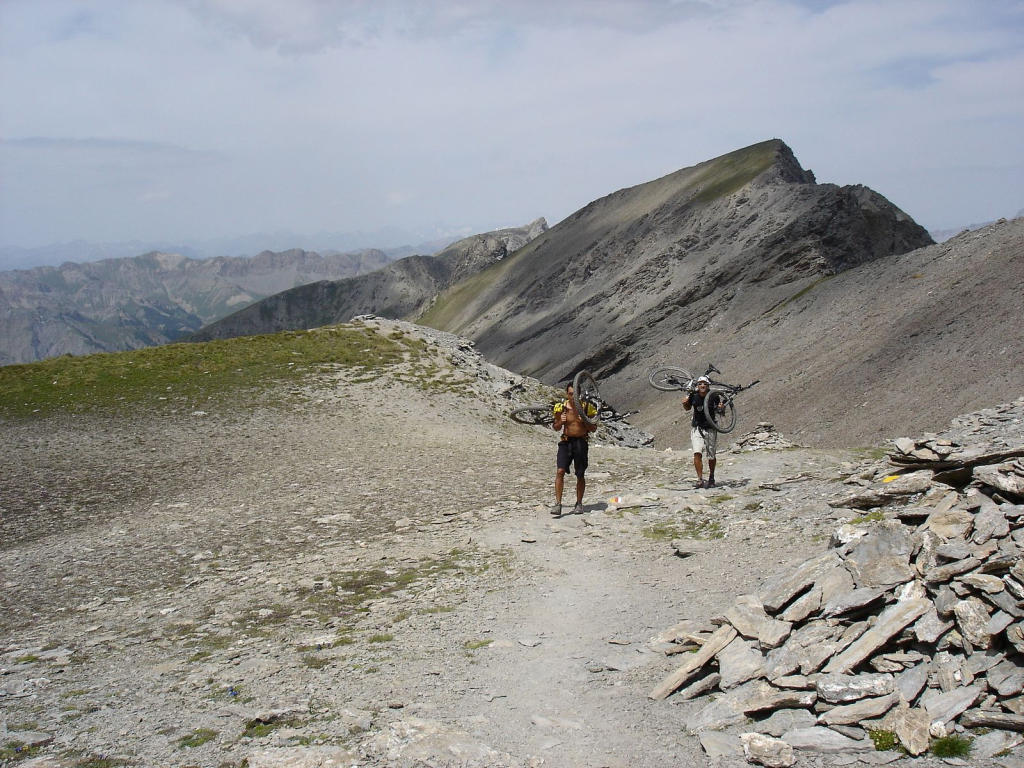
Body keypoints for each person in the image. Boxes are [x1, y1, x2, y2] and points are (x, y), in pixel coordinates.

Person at [551, 383, 598, 516]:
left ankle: (579, 503)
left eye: (575, 394)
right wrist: (561, 421)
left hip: (581, 442)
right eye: (570, 394)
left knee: (580, 474)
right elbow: (555, 427)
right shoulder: (561, 407)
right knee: (560, 471)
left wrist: (584, 421)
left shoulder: (586, 408)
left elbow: (594, 428)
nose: (573, 397)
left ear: (580, 394)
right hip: (566, 441)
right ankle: (558, 504)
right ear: (567, 394)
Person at [682, 376, 725, 489]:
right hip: (697, 427)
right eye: (700, 383)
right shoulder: (694, 395)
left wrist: (721, 407)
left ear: (708, 385)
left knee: (711, 456)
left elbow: (720, 411)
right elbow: (687, 408)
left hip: (711, 428)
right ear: (698, 385)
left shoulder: (713, 396)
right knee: (697, 453)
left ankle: (711, 477)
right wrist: (685, 403)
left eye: (704, 384)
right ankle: (700, 479)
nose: (702, 385)